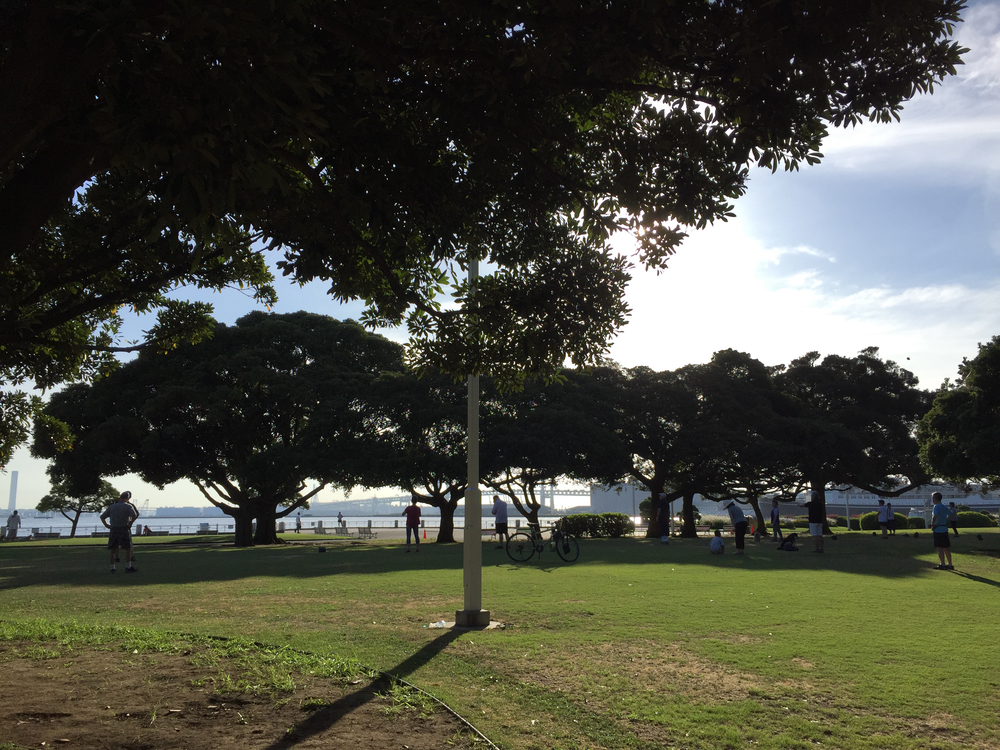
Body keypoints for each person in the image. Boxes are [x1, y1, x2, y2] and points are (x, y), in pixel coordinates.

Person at [100, 491, 139, 573]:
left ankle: (112, 568)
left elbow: (102, 517)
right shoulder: (128, 506)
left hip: (113, 529)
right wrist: (130, 523)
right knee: (128, 548)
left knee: (112, 549)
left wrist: (107, 525)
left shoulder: (112, 507)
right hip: (124, 528)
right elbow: (134, 515)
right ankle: (128, 566)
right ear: (127, 499)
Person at [931, 492, 954, 570]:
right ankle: (950, 564)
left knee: (939, 548)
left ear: (935, 499)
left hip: (937, 529)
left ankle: (942, 563)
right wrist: (945, 520)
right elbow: (951, 514)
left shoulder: (936, 506)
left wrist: (933, 524)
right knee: (945, 547)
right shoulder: (944, 507)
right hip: (944, 528)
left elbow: (935, 515)